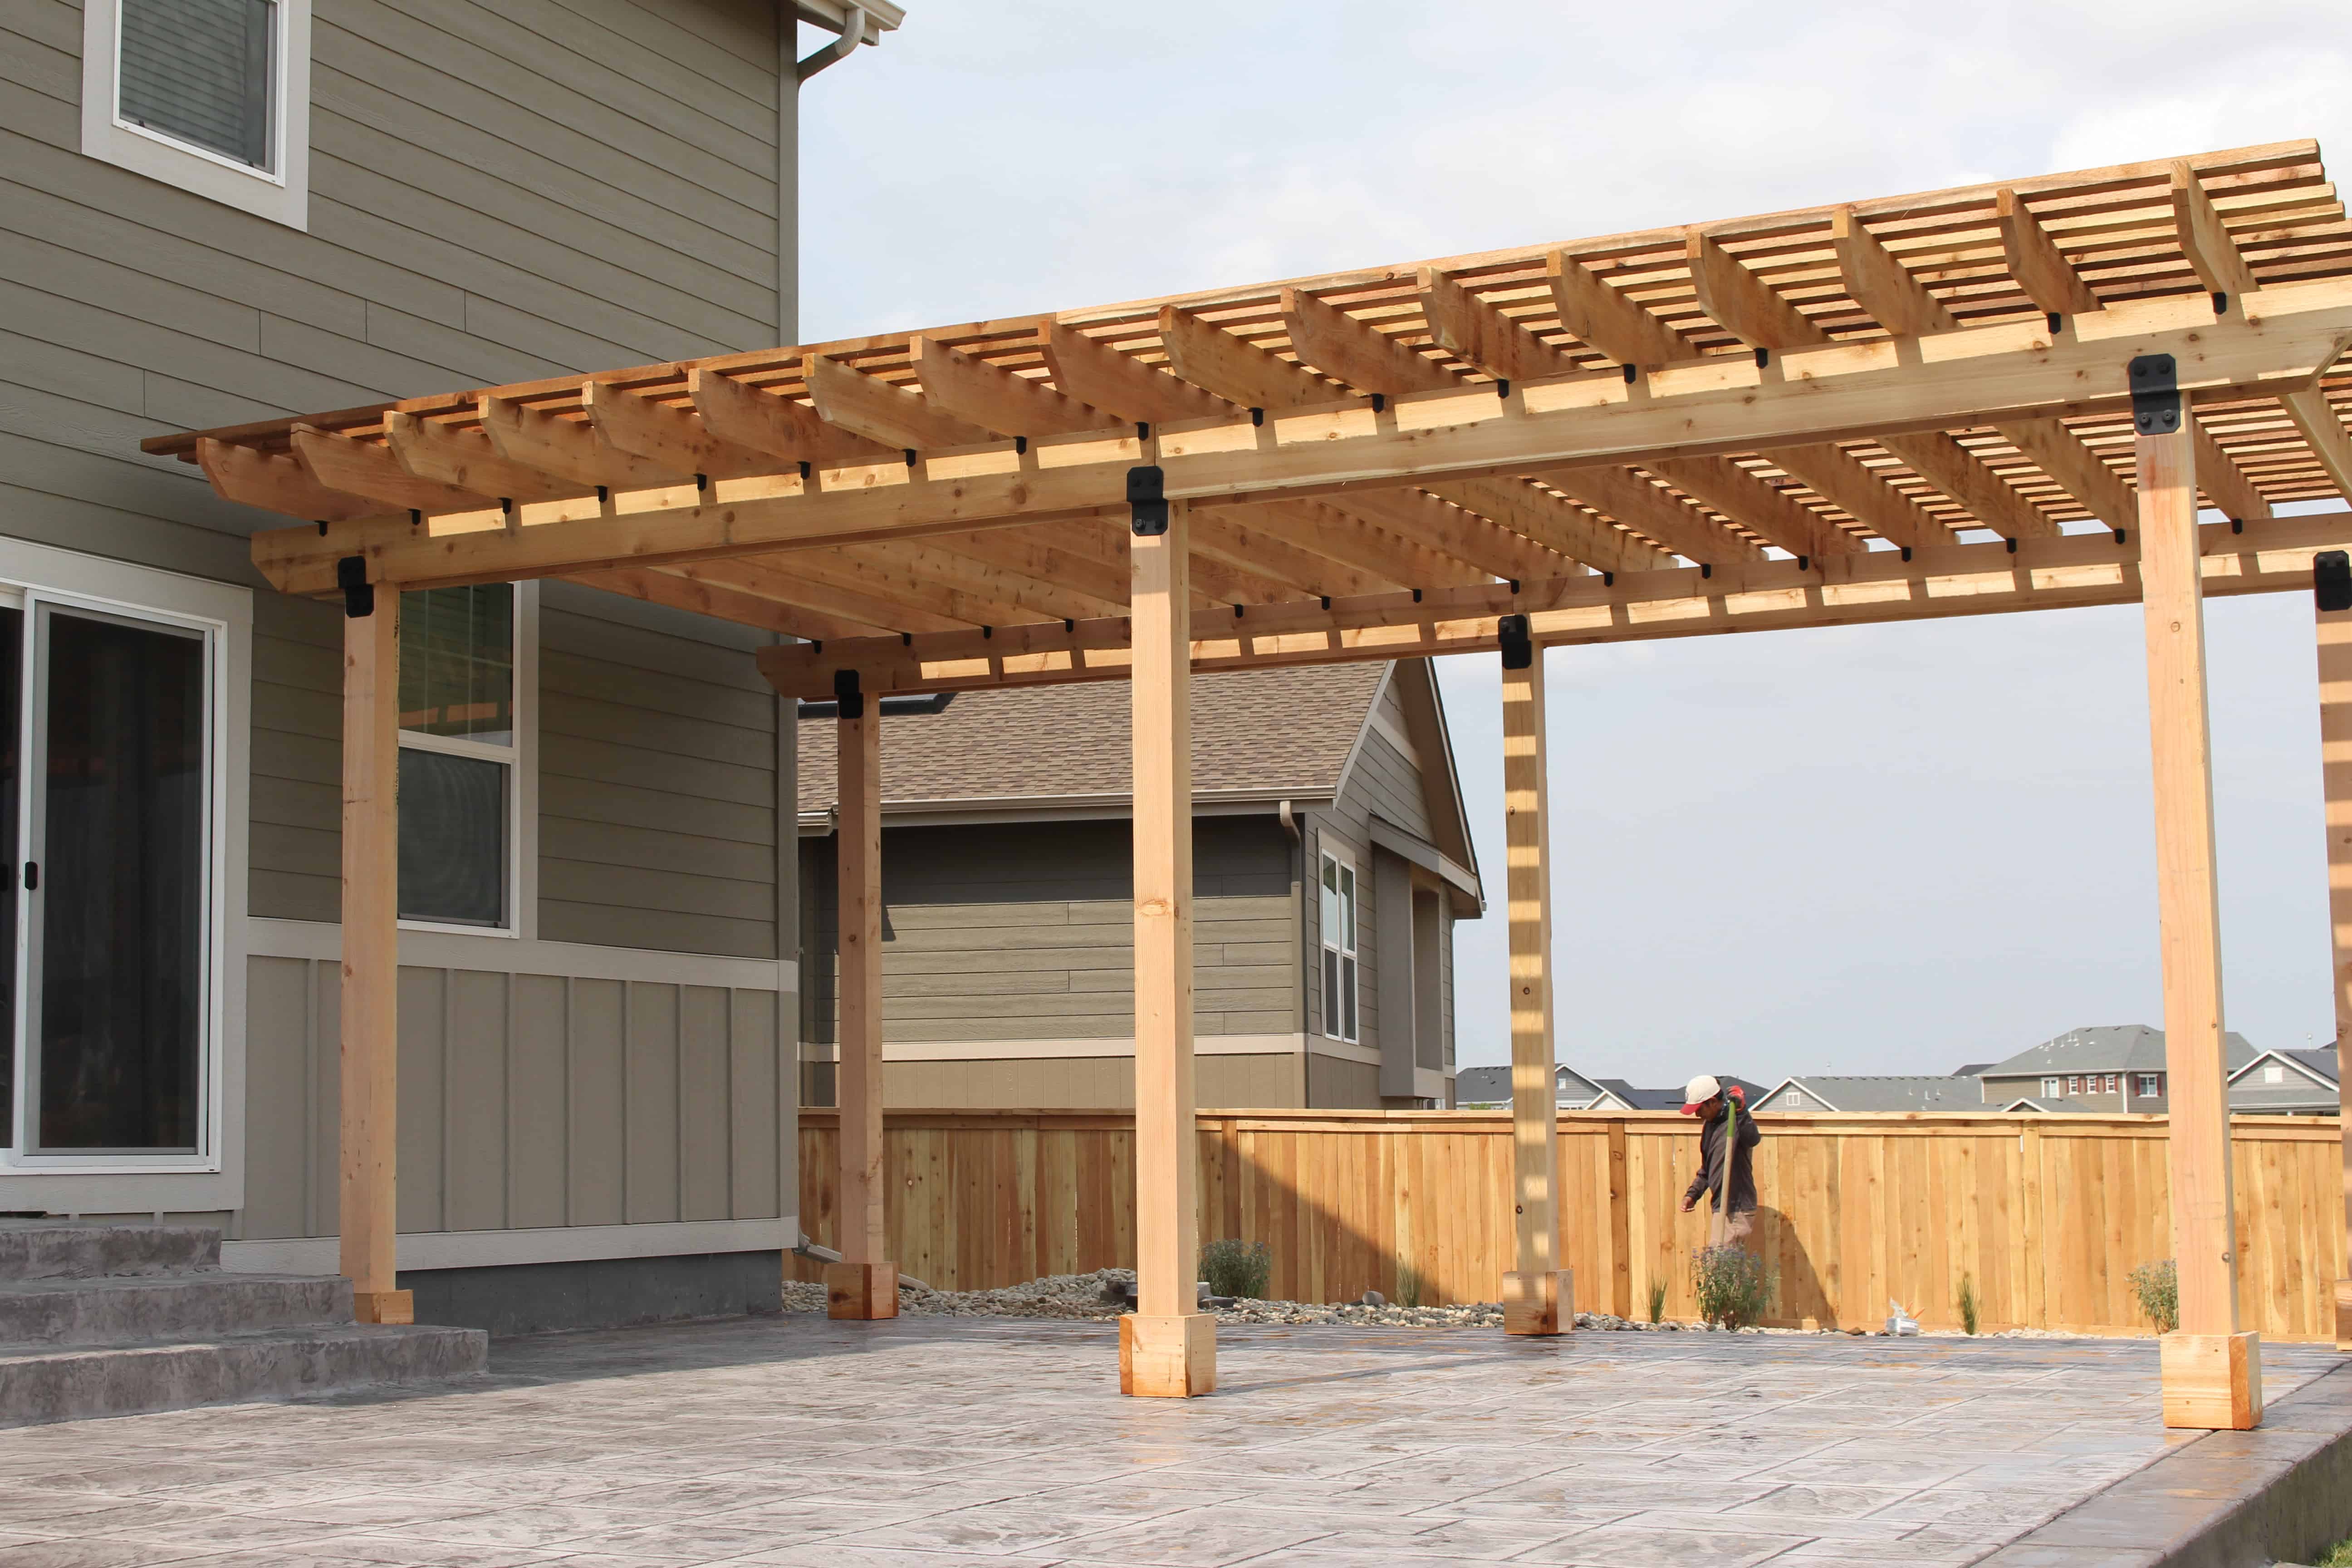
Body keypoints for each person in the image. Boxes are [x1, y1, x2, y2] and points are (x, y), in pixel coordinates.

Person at [1679, 1073, 1761, 1245]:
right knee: (1725, 1266)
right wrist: (1692, 1195)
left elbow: (1753, 1139)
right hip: (1721, 1207)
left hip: (1736, 1207)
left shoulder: (1735, 1120)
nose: (1697, 1115)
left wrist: (1741, 1112)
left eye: (1700, 1109)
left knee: (1721, 1263)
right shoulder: (1710, 1126)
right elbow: (1707, 1170)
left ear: (1713, 1102)